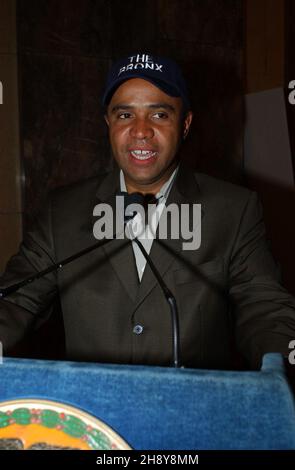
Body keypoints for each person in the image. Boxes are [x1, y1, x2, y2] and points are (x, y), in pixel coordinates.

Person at [0, 52, 294, 370]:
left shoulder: (234, 210)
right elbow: (16, 299)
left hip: (194, 413)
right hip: (91, 413)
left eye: (159, 115)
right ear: (108, 124)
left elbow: (265, 309)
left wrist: (283, 361)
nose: (141, 131)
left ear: (185, 124)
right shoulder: (63, 211)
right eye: (125, 115)